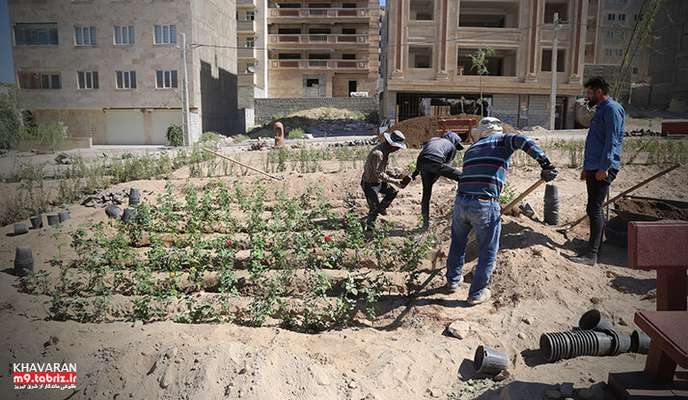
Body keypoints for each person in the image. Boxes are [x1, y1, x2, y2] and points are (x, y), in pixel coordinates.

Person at [446, 117, 558, 305]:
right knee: (488, 249)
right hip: (484, 204)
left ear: (480, 133)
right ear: (497, 131)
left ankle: (452, 281)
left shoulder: (471, 150)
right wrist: (545, 163)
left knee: (458, 242)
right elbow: (524, 141)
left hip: (461, 202)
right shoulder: (502, 140)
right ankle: (477, 293)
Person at [570, 77, 625, 266]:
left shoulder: (612, 109)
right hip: (594, 166)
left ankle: (591, 255)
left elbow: (612, 140)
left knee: (594, 208)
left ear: (599, 91)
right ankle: (594, 249)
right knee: (594, 208)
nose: (587, 96)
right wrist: (587, 168)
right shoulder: (601, 109)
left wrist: (604, 167)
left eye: (589, 92)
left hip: (603, 167)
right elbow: (595, 141)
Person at [411, 130, 464, 229]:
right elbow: (444, 167)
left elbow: (422, 155)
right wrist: (435, 177)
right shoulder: (451, 147)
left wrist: (415, 172)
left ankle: (425, 223)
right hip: (436, 162)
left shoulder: (432, 140)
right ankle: (463, 204)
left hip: (422, 163)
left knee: (426, 193)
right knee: (463, 178)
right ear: (453, 140)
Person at [361, 130, 407, 228]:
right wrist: (395, 181)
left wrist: (398, 174)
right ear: (392, 144)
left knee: (392, 192)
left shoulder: (386, 152)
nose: (398, 149)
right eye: (397, 147)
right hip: (369, 184)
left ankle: (381, 208)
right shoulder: (378, 154)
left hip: (379, 182)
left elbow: (386, 169)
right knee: (373, 210)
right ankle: (369, 230)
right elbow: (379, 173)